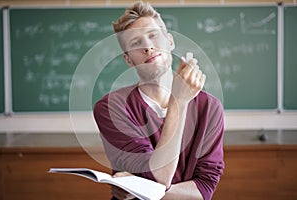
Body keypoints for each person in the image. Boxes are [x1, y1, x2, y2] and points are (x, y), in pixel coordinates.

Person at [94, 1, 224, 200]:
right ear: (128, 59)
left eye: (153, 36)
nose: (148, 47)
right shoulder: (111, 108)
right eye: (136, 43)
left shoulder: (210, 107)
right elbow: (159, 175)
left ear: (170, 42)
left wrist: (139, 188)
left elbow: (204, 188)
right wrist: (178, 102)